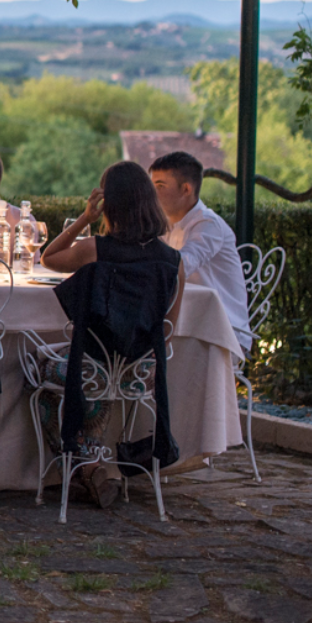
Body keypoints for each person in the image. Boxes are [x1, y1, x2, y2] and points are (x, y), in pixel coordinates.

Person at [39, 161, 185, 508]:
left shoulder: (95, 250)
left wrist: (85, 218)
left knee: (39, 370)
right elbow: (168, 330)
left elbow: (49, 258)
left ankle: (82, 467)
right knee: (100, 372)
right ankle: (92, 469)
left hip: (92, 368)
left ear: (110, 204)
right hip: (142, 374)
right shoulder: (173, 261)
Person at [150, 151, 253, 355]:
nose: (152, 194)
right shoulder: (168, 224)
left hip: (223, 333)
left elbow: (182, 266)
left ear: (186, 189)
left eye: (160, 186)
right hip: (188, 325)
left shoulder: (208, 224)